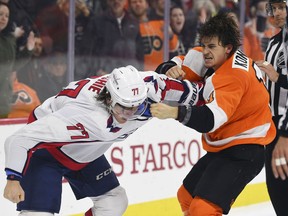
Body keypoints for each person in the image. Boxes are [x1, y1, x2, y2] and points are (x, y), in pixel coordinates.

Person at [3, 65, 203, 216]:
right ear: (108, 99)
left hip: (86, 151)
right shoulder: (86, 117)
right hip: (47, 152)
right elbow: (19, 138)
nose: (129, 115)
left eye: (136, 107)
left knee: (114, 201)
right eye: (123, 107)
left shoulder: (152, 86)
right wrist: (13, 179)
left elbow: (195, 92)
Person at [150, 12, 276, 215]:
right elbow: (179, 62)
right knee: (186, 197)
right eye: (204, 45)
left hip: (246, 150)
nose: (205, 52)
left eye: (211, 47)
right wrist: (170, 68)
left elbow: (210, 120)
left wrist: (176, 113)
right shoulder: (212, 55)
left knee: (203, 210)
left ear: (228, 48)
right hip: (225, 145)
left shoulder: (234, 76)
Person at [255, 0, 288, 215]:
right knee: (276, 189)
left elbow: (278, 78)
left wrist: (277, 77)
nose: (276, 13)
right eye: (273, 8)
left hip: (284, 127)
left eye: (281, 7)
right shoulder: (275, 40)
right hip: (274, 125)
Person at [0, 2, 35, 118]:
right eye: (0, 14)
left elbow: (13, 66)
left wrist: (28, 50)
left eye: (6, 16)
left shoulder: (9, 39)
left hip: (3, 102)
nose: (3, 18)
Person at [128, 0, 179, 71]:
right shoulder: (127, 27)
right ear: (129, 6)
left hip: (160, 72)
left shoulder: (160, 23)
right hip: (139, 74)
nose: (138, 4)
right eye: (134, 2)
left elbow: (174, 48)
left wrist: (170, 36)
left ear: (147, 4)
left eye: (140, 1)